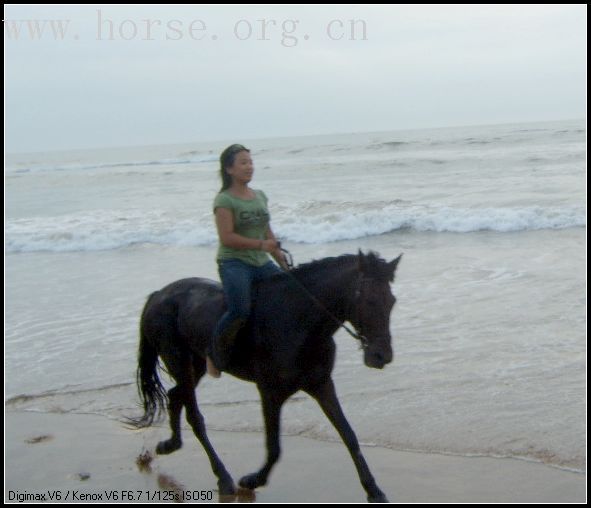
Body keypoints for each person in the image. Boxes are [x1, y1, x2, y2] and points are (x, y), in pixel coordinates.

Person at [207, 144, 289, 378]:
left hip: (261, 262)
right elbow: (227, 237)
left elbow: (267, 231)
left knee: (290, 296)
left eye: (250, 162)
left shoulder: (259, 196)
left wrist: (280, 261)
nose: (249, 167)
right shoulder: (224, 200)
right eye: (243, 162)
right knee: (239, 310)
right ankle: (213, 352)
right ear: (229, 169)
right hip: (234, 263)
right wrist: (262, 245)